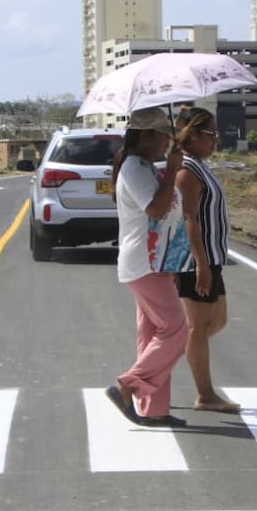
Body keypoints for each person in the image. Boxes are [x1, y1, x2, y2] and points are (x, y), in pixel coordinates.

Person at [105, 107, 191, 427]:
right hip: (145, 261)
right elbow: (155, 209)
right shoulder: (135, 168)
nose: (165, 143)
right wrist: (170, 170)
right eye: (162, 136)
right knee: (176, 330)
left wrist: (170, 169)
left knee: (152, 333)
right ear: (145, 136)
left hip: (154, 258)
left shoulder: (141, 165)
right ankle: (127, 385)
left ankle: (153, 408)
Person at [172, 106, 241, 413]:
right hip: (194, 258)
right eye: (211, 134)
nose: (215, 141)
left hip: (211, 255)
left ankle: (161, 357)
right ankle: (205, 394)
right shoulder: (186, 170)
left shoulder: (198, 165)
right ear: (194, 135)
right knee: (197, 327)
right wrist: (200, 263)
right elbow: (188, 219)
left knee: (217, 320)